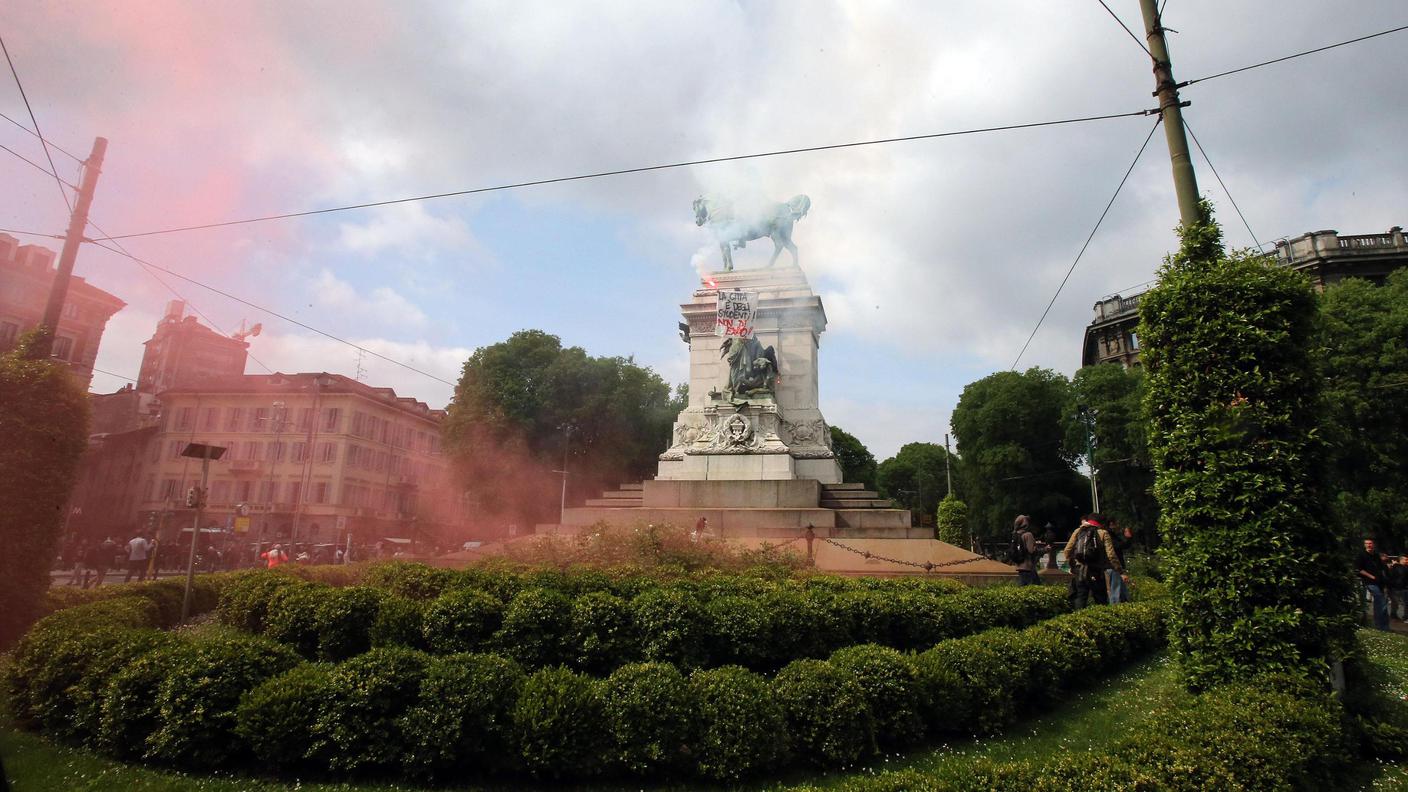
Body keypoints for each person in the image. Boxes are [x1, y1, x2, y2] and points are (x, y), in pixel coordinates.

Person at [1062, 514, 1126, 609]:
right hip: (1096, 571)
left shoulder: (1078, 531)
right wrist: (1120, 571)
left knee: (1081, 597)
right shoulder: (1103, 533)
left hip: (1080, 570)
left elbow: (1067, 551)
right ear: (1101, 523)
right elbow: (1111, 555)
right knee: (1100, 599)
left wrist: (1073, 566)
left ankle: (1079, 620)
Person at [1357, 537, 1391, 631]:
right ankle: (1381, 627)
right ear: (1364, 545)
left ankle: (1383, 626)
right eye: (1367, 543)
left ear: (1373, 544)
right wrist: (1372, 576)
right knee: (1381, 602)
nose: (1369, 545)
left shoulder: (1376, 555)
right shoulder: (1361, 555)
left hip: (1379, 582)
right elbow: (1359, 569)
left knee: (1381, 604)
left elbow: (1380, 568)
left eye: (1370, 543)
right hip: (1369, 582)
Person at [1105, 523, 1133, 604]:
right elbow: (1117, 547)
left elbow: (1123, 546)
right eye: (1114, 524)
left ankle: (1123, 605)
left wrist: (1128, 538)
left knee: (1122, 591)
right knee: (1115, 590)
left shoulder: (1114, 535)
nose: (1116, 526)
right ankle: (1115, 609)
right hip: (1114, 566)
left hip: (1117, 566)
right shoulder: (1108, 535)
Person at [1010, 515, 1040, 586]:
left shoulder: (1015, 535)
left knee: (1023, 587)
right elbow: (1031, 551)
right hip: (1028, 567)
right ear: (1025, 524)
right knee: (1035, 587)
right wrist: (1043, 549)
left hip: (1019, 566)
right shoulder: (1028, 535)